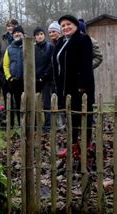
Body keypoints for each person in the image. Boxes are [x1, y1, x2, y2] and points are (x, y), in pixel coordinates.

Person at [53, 15, 95, 159]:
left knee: (84, 115)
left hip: (80, 87)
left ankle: (87, 145)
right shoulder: (60, 42)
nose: (65, 27)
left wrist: (82, 85)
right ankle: (73, 146)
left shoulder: (83, 39)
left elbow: (86, 64)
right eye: (63, 25)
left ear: (76, 25)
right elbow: (57, 66)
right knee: (70, 117)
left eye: (68, 24)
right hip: (65, 87)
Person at [3, 25, 25, 127]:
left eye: (19, 32)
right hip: (14, 80)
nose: (17, 34)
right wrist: (9, 77)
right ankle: (18, 124)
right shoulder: (9, 48)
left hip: (26, 81)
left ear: (22, 34)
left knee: (26, 104)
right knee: (16, 103)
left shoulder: (29, 45)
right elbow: (5, 65)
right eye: (15, 32)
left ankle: (28, 124)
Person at [33, 27, 54, 131]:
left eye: (41, 34)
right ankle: (36, 124)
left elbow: (51, 63)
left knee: (47, 103)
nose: (39, 36)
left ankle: (48, 125)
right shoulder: (33, 48)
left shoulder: (50, 47)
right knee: (35, 102)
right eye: (37, 34)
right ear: (34, 37)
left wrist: (44, 76)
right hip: (35, 79)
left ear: (44, 35)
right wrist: (36, 77)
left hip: (47, 79)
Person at [0, 19, 19, 110]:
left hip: (16, 70)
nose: (10, 28)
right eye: (8, 26)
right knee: (7, 96)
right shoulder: (3, 39)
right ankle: (9, 117)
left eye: (12, 26)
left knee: (18, 96)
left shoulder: (20, 37)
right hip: (4, 71)